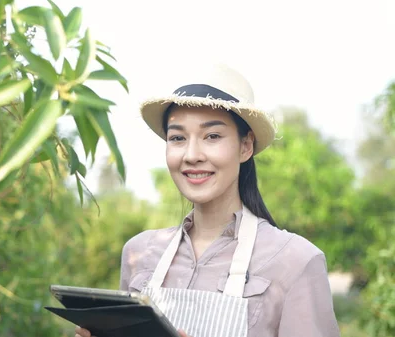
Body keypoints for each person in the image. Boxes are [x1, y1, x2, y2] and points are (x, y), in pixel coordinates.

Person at [74, 64, 341, 337]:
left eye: (212, 136)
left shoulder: (295, 261)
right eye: (177, 137)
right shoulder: (139, 254)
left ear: (245, 146)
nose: (191, 155)